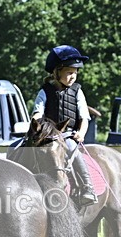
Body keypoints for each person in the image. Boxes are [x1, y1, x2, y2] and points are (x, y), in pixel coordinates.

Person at [32, 45, 98, 206]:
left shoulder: (77, 91)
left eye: (75, 73)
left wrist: (81, 133)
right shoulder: (45, 91)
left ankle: (87, 187)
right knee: (17, 146)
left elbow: (84, 117)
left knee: (71, 147)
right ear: (57, 72)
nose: (73, 77)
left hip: (68, 134)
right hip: (48, 134)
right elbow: (37, 112)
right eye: (69, 72)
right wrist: (36, 123)